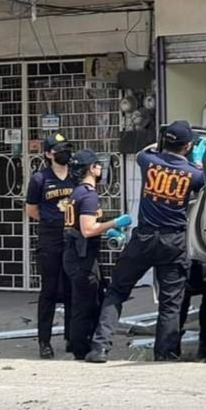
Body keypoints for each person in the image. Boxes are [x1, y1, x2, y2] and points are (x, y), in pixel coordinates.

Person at [85, 120, 206, 363]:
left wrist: (162, 143)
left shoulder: (148, 161)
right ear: (188, 146)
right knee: (171, 302)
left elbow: (145, 151)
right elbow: (200, 183)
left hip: (144, 237)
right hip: (173, 241)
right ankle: (166, 354)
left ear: (165, 142)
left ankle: (99, 348)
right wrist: (196, 159)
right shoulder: (195, 173)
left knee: (117, 291)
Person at [61, 149, 133, 360]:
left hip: (77, 255)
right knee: (85, 305)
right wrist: (116, 222)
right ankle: (81, 349)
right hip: (81, 257)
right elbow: (87, 229)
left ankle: (79, 345)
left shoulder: (77, 192)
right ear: (91, 169)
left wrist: (105, 228)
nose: (101, 168)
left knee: (86, 301)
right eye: (98, 165)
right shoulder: (88, 195)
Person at [25, 133, 76, 359]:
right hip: (50, 237)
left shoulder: (75, 175)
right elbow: (31, 209)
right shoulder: (40, 179)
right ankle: (44, 342)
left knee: (71, 288)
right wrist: (51, 221)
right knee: (49, 290)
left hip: (72, 235)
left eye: (66, 148)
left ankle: (71, 337)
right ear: (48, 154)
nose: (64, 152)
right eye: (59, 149)